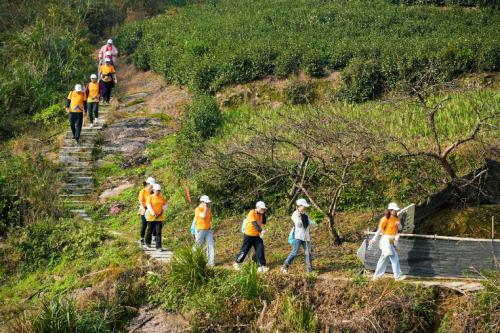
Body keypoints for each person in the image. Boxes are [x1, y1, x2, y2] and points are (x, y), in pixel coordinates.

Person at [369, 202, 406, 281]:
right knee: (395, 258)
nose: (396, 212)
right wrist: (374, 239)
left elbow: (400, 228)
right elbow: (380, 230)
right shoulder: (385, 218)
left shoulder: (396, 218)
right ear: (390, 210)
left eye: (396, 210)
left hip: (392, 242)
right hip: (386, 242)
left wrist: (399, 224)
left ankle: (376, 276)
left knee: (383, 259)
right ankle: (398, 276)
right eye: (394, 210)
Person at [281, 199, 317, 274]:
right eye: (304, 206)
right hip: (298, 236)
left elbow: (312, 223)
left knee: (308, 253)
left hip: (306, 237)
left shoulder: (305, 214)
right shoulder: (294, 214)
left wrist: (317, 221)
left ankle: (309, 270)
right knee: (294, 252)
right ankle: (284, 267)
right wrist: (298, 217)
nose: (305, 208)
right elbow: (297, 224)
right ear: (299, 206)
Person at [233, 201, 270, 272]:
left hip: (256, 235)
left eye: (264, 209)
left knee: (260, 249)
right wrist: (261, 231)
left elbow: (264, 222)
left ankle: (261, 266)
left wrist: (263, 213)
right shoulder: (252, 212)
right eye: (261, 208)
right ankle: (237, 263)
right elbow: (254, 224)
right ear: (257, 207)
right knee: (244, 250)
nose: (263, 209)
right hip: (249, 235)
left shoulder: (261, 214)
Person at [194, 195, 215, 267]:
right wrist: (205, 208)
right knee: (198, 245)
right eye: (205, 203)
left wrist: (206, 208)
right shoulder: (198, 209)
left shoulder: (208, 210)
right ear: (201, 202)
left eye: (208, 203)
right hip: (200, 229)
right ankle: (193, 259)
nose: (207, 204)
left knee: (210, 245)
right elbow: (203, 216)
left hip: (208, 230)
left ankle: (211, 262)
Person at [146, 184, 168, 251]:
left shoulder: (162, 197)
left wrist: (163, 210)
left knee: (158, 232)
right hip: (151, 217)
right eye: (156, 190)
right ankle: (148, 242)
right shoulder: (150, 197)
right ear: (153, 190)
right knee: (150, 230)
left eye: (159, 190)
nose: (158, 192)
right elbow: (148, 205)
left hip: (159, 217)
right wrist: (152, 211)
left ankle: (158, 246)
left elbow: (166, 204)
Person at [138, 177, 156, 245]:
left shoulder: (152, 192)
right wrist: (143, 208)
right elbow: (141, 200)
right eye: (151, 184)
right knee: (144, 225)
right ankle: (142, 239)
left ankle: (153, 238)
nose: (152, 186)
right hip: (144, 209)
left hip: (151, 209)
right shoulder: (143, 191)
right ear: (148, 184)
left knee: (152, 224)